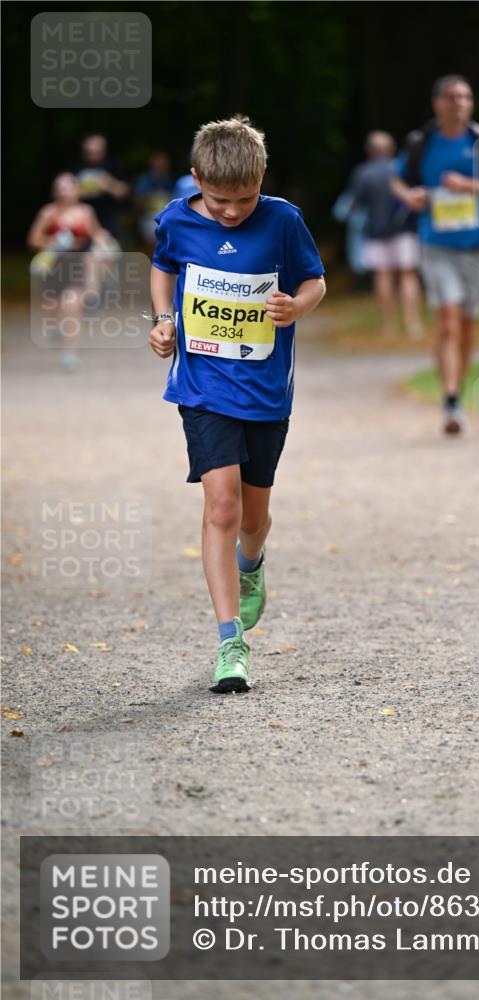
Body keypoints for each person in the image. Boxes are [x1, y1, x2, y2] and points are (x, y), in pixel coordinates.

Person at [148, 116, 326, 694]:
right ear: (197, 179)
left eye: (244, 199)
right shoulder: (176, 217)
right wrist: (164, 320)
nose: (231, 211)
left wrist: (296, 308)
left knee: (253, 517)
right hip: (203, 388)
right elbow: (163, 266)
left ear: (262, 179)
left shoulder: (282, 220)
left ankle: (253, 562)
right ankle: (231, 643)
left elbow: (314, 281)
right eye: (220, 200)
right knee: (220, 507)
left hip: (266, 391)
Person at [391, 75, 479, 433]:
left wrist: (468, 186)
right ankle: (449, 400)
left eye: (465, 96)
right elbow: (396, 179)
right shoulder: (422, 142)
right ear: (437, 103)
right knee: (447, 319)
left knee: (467, 324)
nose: (459, 102)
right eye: (451, 96)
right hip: (436, 245)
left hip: (477, 248)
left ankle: (456, 391)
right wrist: (408, 196)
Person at [338, 131, 422, 338]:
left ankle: (389, 325)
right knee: (408, 274)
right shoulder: (401, 169)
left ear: (369, 151)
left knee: (382, 276)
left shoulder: (363, 173)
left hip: (375, 232)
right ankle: (413, 324)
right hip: (404, 230)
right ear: (391, 149)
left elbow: (352, 205)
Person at [27, 172, 112, 372]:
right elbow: (33, 239)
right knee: (53, 308)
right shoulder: (48, 213)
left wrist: (104, 240)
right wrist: (53, 242)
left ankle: (69, 353)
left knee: (73, 305)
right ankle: (56, 327)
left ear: (77, 190)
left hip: (77, 265)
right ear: (55, 192)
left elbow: (95, 233)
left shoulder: (86, 212)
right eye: (60, 188)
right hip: (54, 267)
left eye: (69, 187)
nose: (65, 192)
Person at [73, 133, 129, 240]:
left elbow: (124, 193)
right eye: (89, 152)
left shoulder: (112, 166)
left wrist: (109, 185)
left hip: (107, 219)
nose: (93, 155)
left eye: (97, 152)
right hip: (80, 220)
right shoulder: (76, 167)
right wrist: (79, 190)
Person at [134, 151, 175, 245]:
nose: (161, 168)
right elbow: (136, 204)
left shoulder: (172, 180)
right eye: (158, 165)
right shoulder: (145, 181)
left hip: (169, 217)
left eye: (164, 165)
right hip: (149, 218)